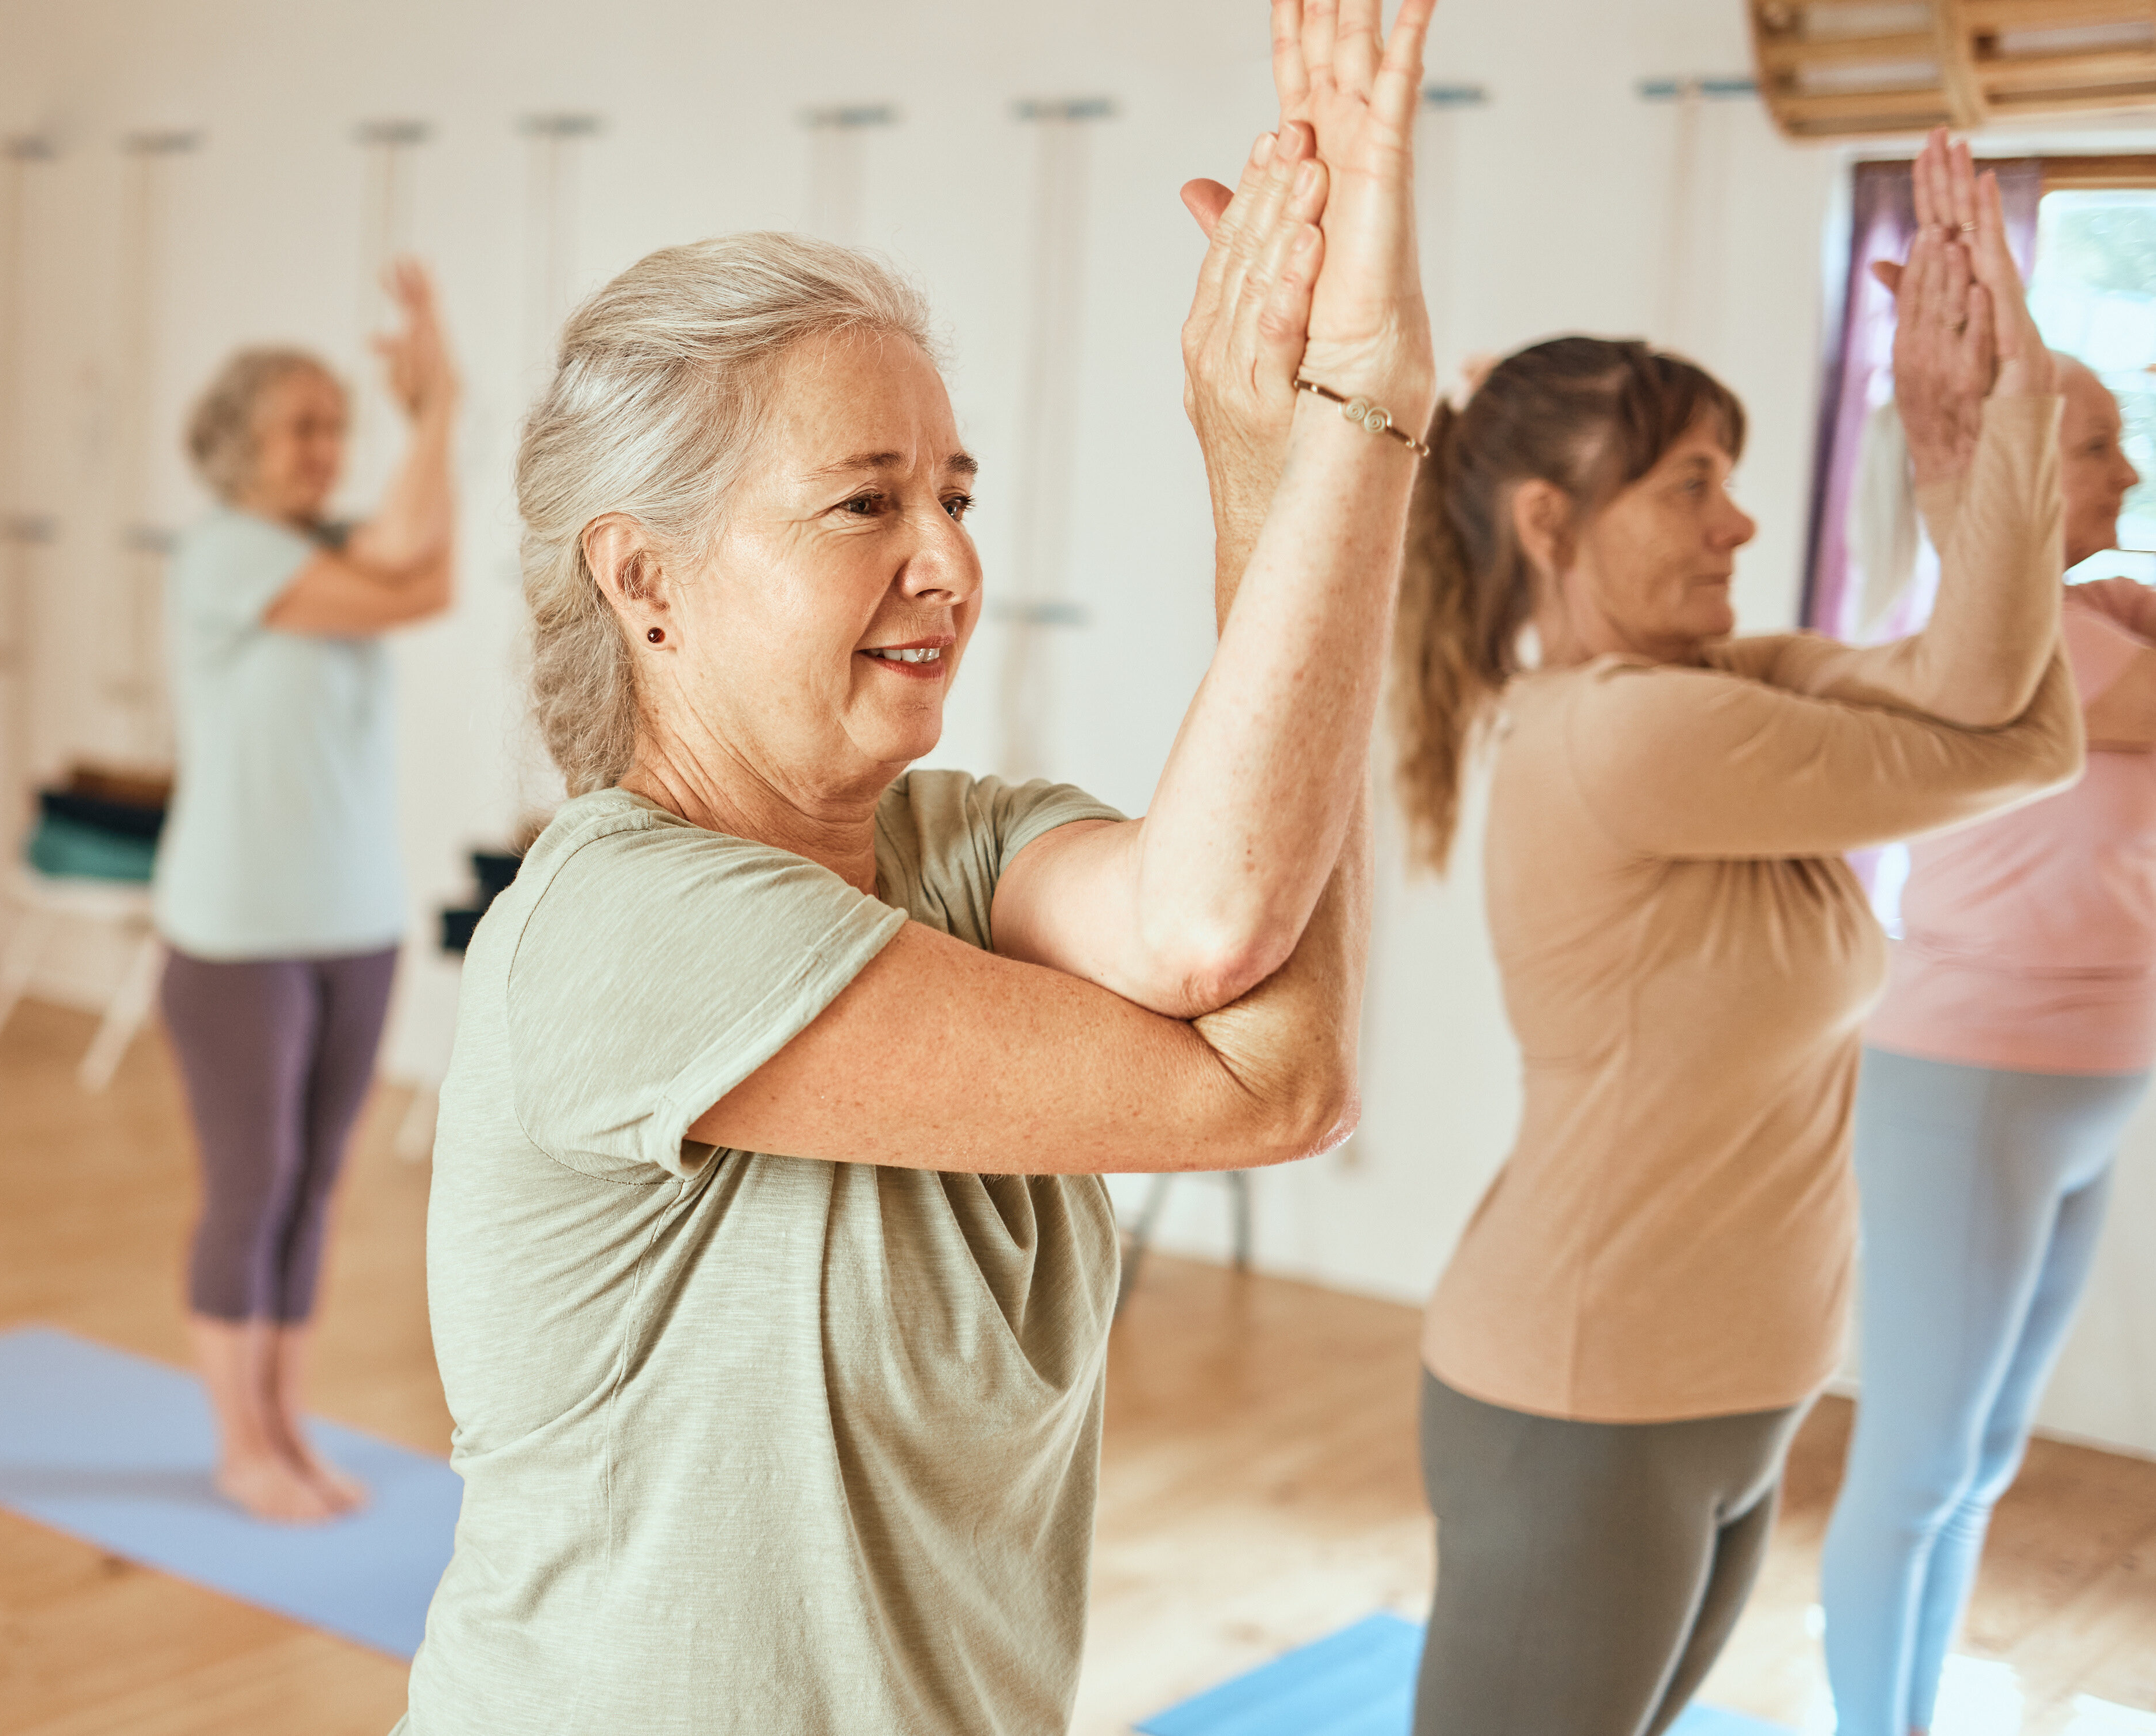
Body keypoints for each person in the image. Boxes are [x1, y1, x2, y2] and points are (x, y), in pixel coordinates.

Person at [397, 2, 1441, 1728]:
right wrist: (1362, 424)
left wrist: (1277, 453)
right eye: (864, 504)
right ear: (643, 582)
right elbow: (1268, 1079)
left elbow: (1211, 918)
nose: (950, 560)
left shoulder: (960, 847)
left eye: (957, 494)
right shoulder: (618, 922)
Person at [1391, 132, 2081, 1736]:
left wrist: (1955, 438)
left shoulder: (1723, 688)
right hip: (1581, 1390)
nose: (1738, 524)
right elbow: (2011, 738)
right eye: (1690, 485)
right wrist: (2004, 427)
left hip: (1730, 1381)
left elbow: (2001, 715)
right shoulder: (1619, 736)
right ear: (1554, 523)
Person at [1821, 350, 2148, 1736]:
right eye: (2097, 451)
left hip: (2089, 1076)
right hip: (1971, 1084)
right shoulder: (2013, 624)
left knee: (1979, 1459)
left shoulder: (2098, 619)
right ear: (2002, 469)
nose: (2130, 477)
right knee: (1916, 1462)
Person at [154, 260, 457, 1523]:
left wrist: (437, 409)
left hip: (355, 922)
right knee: (254, 1176)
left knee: (319, 1178)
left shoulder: (327, 549)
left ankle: (285, 1422)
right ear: (238, 447)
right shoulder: (226, 553)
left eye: (340, 425)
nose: (327, 448)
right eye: (302, 427)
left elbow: (422, 573)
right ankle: (240, 1442)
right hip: (237, 933)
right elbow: (411, 578)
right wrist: (433, 418)